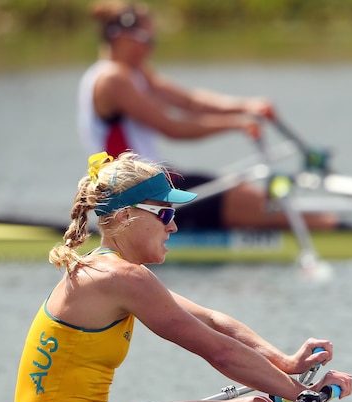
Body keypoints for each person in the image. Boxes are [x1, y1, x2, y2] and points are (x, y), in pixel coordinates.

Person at [13, 151, 352, 402]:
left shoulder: (108, 270)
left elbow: (211, 321)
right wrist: (300, 392)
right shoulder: (118, 276)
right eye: (164, 213)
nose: (174, 225)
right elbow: (217, 350)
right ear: (126, 216)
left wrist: (285, 364)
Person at [77, 1, 338, 230]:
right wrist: (236, 124)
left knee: (248, 196)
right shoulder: (113, 80)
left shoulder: (134, 73)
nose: (151, 49)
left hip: (155, 183)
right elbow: (171, 127)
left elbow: (190, 102)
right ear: (123, 37)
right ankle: (340, 229)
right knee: (258, 204)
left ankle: (332, 224)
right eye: (148, 40)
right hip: (139, 193)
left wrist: (246, 106)